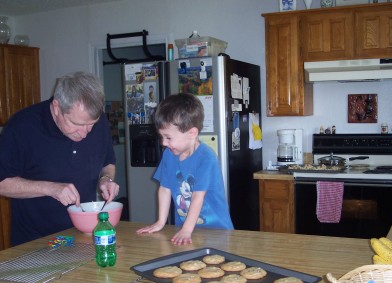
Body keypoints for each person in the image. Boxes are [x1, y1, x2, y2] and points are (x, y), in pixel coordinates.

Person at [0, 71, 120, 246]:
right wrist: (50, 188)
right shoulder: (22, 127)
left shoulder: (98, 122)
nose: (86, 133)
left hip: (84, 238)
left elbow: (108, 161)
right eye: (77, 124)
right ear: (57, 108)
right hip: (36, 243)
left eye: (91, 125)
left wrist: (106, 179)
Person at [136, 93, 233, 245]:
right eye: (161, 137)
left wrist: (187, 229)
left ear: (192, 133)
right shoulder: (169, 155)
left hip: (217, 231)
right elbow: (164, 189)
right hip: (185, 232)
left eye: (168, 137)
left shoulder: (206, 158)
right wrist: (161, 222)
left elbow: (197, 197)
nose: (163, 143)